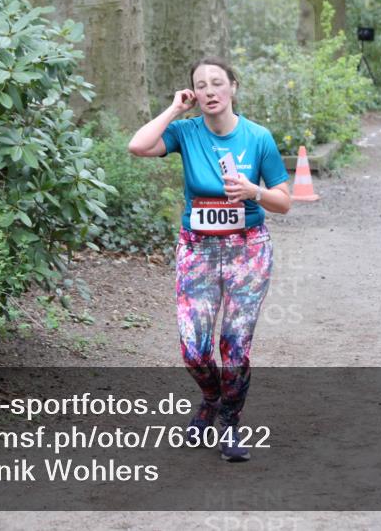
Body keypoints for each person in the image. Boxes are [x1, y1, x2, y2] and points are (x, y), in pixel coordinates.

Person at [127, 57, 291, 462]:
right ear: (194, 94)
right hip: (198, 250)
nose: (209, 91)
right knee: (194, 350)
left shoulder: (257, 138)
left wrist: (253, 191)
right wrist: (173, 109)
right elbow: (137, 146)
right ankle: (212, 397)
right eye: (201, 85)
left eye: (217, 83)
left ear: (233, 87)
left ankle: (230, 425)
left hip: (247, 251)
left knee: (233, 349)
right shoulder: (186, 132)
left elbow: (284, 202)